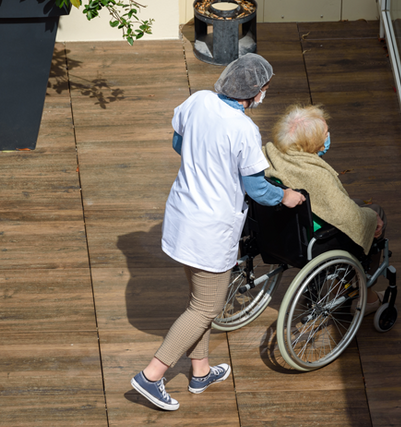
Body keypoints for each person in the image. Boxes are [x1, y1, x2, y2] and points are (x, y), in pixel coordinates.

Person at [130, 53, 306, 411]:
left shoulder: (198, 100)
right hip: (210, 229)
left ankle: (201, 371)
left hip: (182, 215)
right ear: (252, 93)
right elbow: (257, 189)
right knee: (205, 308)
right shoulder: (243, 129)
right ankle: (151, 376)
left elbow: (180, 144)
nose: (264, 96)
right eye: (264, 90)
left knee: (199, 302)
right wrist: (286, 196)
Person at [262, 104, 386, 315]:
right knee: (374, 214)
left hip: (282, 231)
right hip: (315, 238)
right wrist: (371, 218)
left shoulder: (271, 155)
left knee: (358, 206)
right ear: (312, 142)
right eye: (326, 133)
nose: (328, 137)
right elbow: (347, 216)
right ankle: (367, 292)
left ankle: (345, 285)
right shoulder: (316, 175)